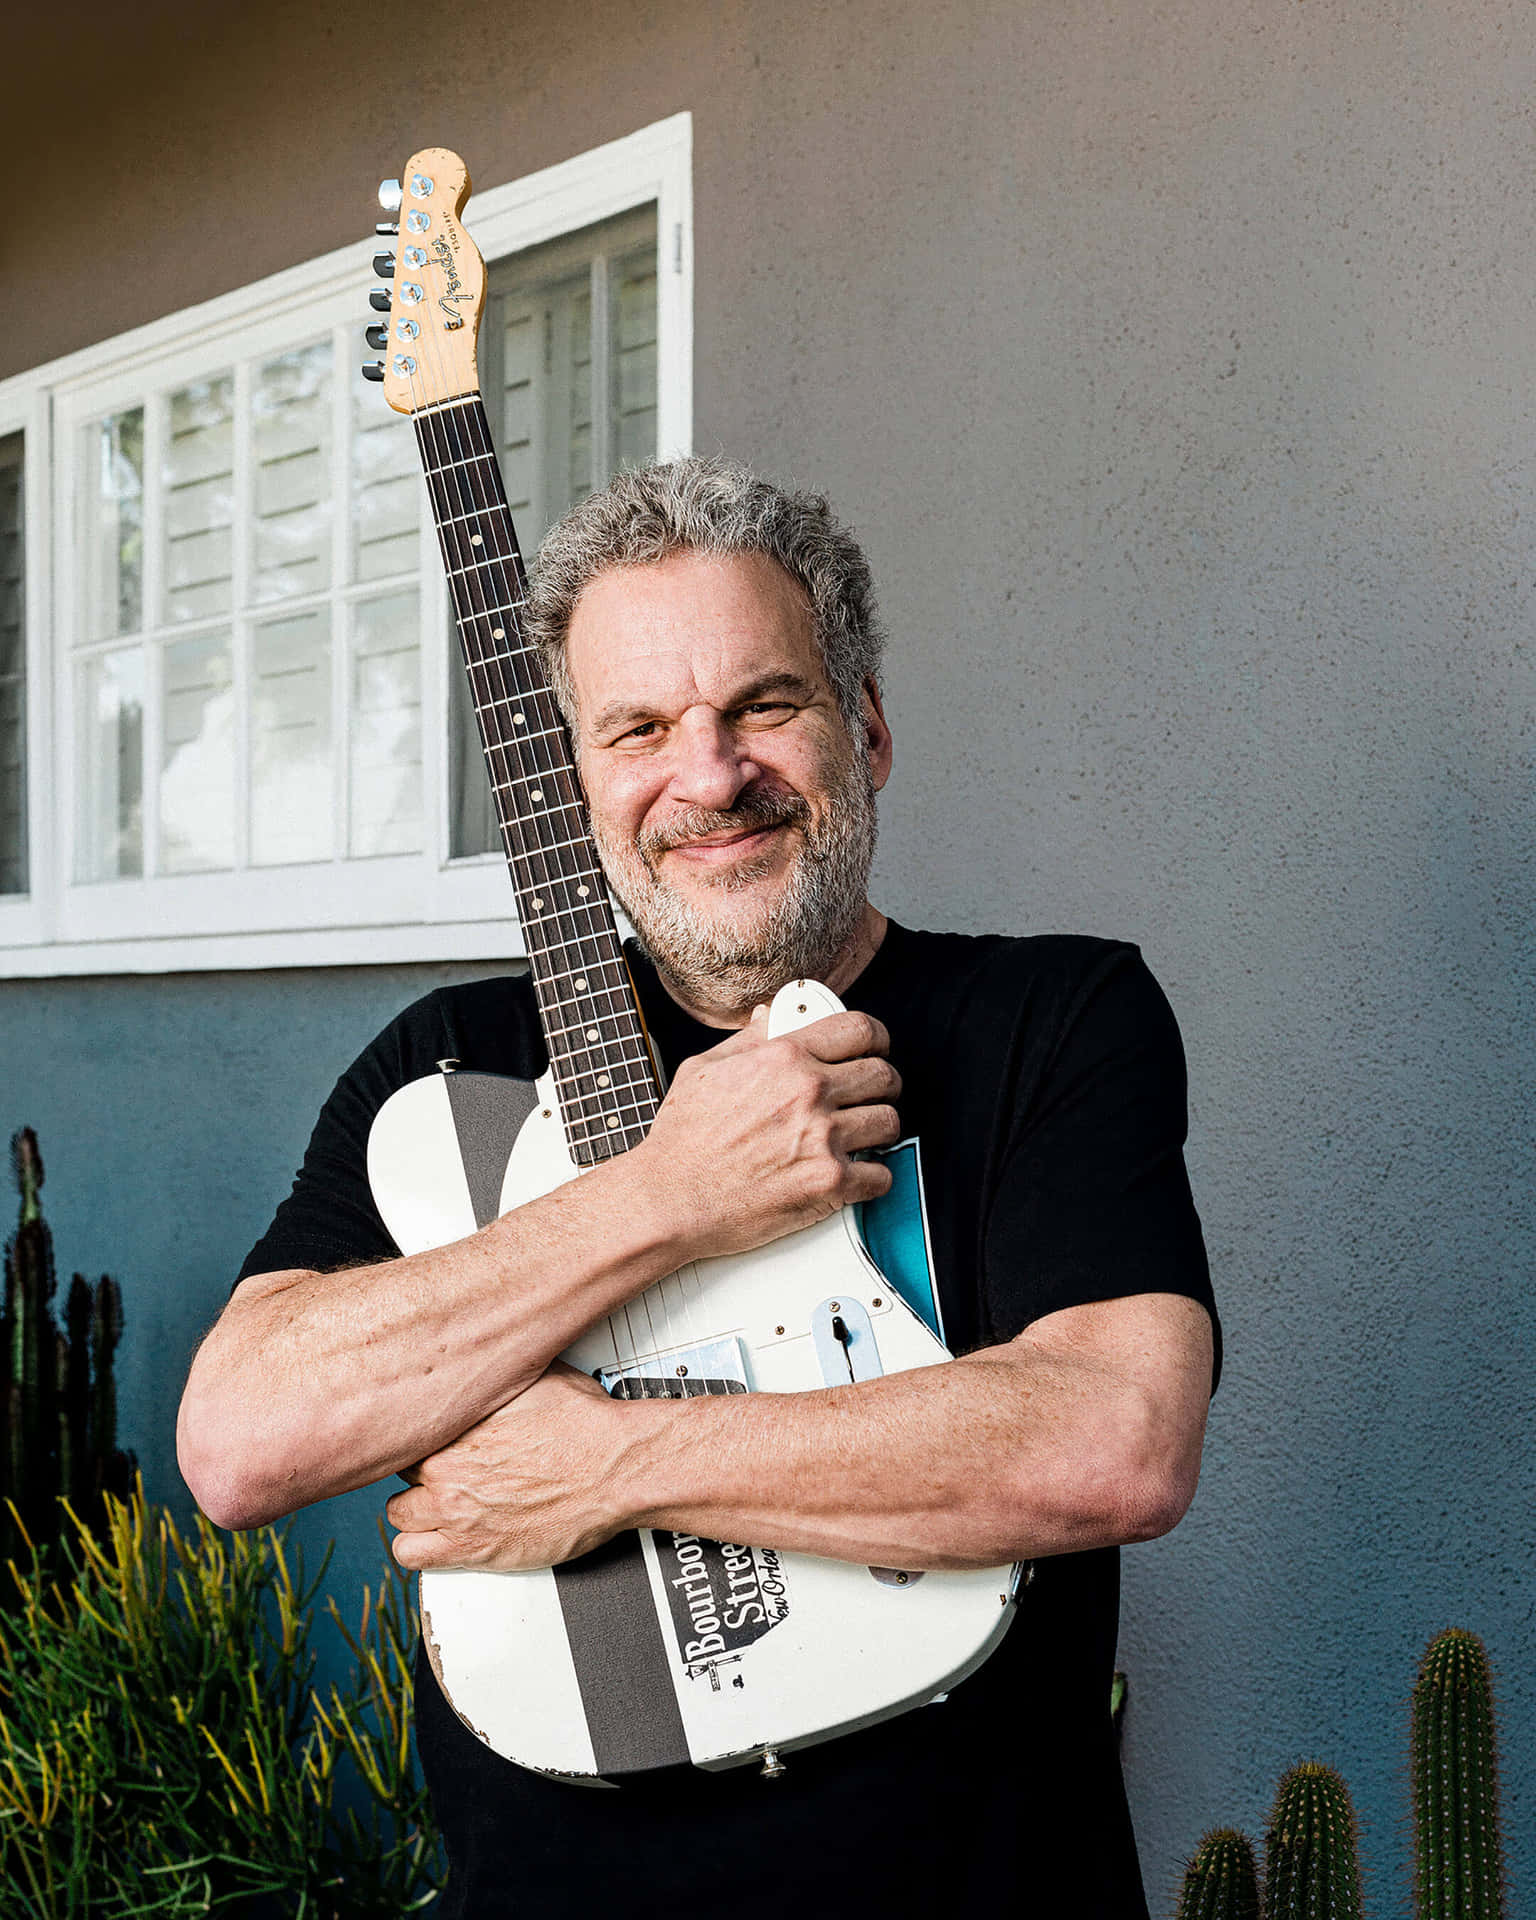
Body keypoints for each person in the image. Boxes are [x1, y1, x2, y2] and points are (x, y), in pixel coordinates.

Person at [178, 457, 1217, 1919]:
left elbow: (1115, 1440)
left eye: (765, 705)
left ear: (867, 728)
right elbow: (240, 1438)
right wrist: (665, 1196)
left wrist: (607, 1466)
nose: (710, 774)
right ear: (574, 780)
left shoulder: (1060, 1018)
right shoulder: (448, 1075)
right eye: (640, 728)